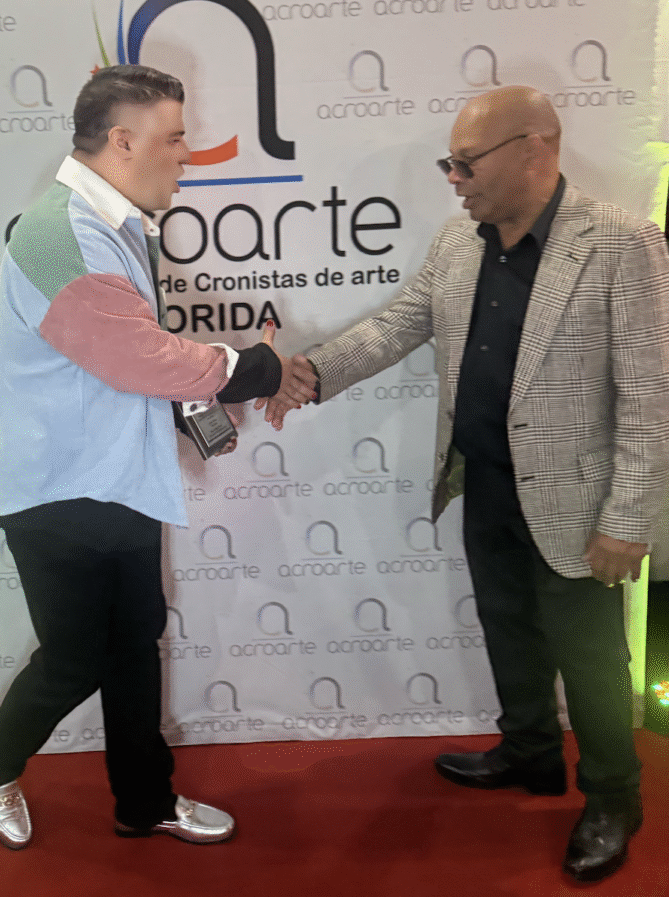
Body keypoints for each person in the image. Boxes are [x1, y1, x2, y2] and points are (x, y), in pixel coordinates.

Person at [263, 86, 669, 882]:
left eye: (465, 162)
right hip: (482, 482)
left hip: (577, 502)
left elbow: (651, 396)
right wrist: (309, 373)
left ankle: (612, 796)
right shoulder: (459, 241)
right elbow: (398, 323)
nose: (453, 178)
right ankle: (529, 751)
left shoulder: (621, 243)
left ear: (533, 148)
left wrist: (627, 519)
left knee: (589, 658)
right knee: (506, 629)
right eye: (448, 163)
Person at [0, 64, 316, 850]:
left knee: (133, 642)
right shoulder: (59, 232)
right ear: (123, 141)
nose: (187, 155)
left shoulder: (112, 223)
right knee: (77, 656)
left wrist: (207, 402)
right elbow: (136, 357)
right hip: (54, 491)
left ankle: (144, 801)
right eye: (174, 138)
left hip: (118, 478)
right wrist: (258, 368)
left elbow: (127, 359)